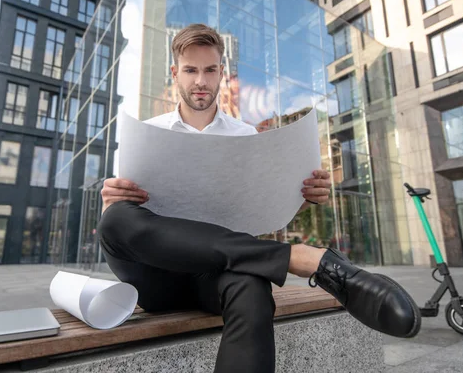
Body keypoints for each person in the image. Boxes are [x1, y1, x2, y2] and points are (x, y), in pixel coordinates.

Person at [97, 23, 421, 373]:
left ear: (222, 73)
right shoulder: (149, 133)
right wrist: (112, 199)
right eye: (191, 70)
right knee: (114, 220)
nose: (200, 81)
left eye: (209, 70)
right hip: (156, 277)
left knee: (252, 284)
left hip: (217, 274)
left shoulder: (245, 135)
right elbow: (129, 222)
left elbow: (262, 207)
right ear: (175, 73)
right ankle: (305, 260)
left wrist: (304, 195)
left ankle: (296, 259)